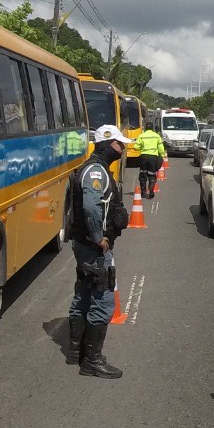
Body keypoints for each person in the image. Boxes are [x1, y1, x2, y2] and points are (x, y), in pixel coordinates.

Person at [67, 123, 133, 379]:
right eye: (119, 144)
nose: (122, 149)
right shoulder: (96, 171)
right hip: (92, 246)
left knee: (84, 291)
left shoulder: (97, 168)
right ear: (106, 144)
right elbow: (92, 207)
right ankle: (92, 360)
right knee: (103, 297)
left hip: (83, 244)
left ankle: (76, 352)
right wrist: (98, 238)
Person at [135, 121, 166, 199]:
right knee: (152, 175)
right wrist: (161, 156)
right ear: (152, 128)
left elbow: (136, 147)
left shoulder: (141, 136)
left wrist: (142, 147)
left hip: (144, 157)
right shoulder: (157, 136)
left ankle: (143, 192)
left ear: (145, 128)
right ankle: (151, 191)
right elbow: (161, 148)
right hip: (153, 158)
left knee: (143, 175)